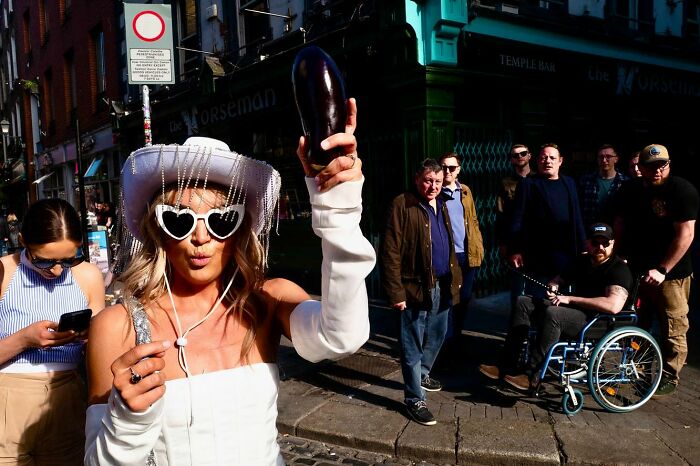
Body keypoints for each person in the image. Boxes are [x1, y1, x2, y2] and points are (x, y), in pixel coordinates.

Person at [84, 98, 376, 465]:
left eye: (222, 220)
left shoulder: (267, 301)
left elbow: (342, 336)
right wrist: (127, 420)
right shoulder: (116, 327)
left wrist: (338, 208)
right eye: (180, 219)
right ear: (157, 229)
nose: (201, 237)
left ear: (240, 231)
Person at [0, 198, 105, 464]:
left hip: (67, 398)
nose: (57, 270)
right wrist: (24, 339)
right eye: (45, 262)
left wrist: (90, 338)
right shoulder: (5, 272)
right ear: (23, 241)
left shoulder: (89, 276)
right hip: (7, 397)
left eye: (69, 260)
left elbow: (102, 355)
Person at [480, 223, 633, 390]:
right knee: (523, 302)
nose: (600, 247)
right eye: (595, 243)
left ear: (612, 243)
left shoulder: (619, 269)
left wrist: (570, 299)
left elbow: (613, 306)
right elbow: (560, 279)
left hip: (597, 320)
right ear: (587, 243)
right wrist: (554, 285)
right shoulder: (583, 260)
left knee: (554, 313)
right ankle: (507, 365)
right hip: (575, 312)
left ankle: (532, 376)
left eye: (605, 243)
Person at [381, 158, 462, 426]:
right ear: (418, 180)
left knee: (438, 333)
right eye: (428, 180)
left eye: (438, 181)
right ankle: (414, 398)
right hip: (413, 285)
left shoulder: (443, 204)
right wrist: (396, 292)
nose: (433, 186)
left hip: (442, 283)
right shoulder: (402, 204)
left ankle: (423, 373)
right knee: (412, 342)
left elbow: (449, 243)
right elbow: (390, 250)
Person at [613, 144, 698, 396]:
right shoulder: (631, 190)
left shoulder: (682, 190)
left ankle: (670, 375)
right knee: (638, 322)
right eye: (650, 167)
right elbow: (620, 224)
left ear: (669, 164)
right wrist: (618, 256)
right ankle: (638, 369)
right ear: (641, 168)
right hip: (638, 269)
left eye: (661, 165)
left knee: (673, 325)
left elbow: (686, 234)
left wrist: (663, 268)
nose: (657, 171)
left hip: (671, 274)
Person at [507, 143, 586, 298]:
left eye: (552, 158)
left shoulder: (569, 183)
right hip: (539, 255)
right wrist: (515, 249)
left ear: (560, 161)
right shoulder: (528, 184)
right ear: (537, 161)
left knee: (562, 300)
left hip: (566, 253)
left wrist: (583, 246)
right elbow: (518, 218)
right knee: (538, 299)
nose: (547, 161)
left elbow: (577, 217)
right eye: (543, 158)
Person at [438, 152, 484, 350]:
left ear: (459, 170)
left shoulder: (464, 191)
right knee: (448, 298)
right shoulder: (435, 191)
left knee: (464, 299)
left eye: (452, 168)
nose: (447, 172)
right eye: (444, 167)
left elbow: (473, 219)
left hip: (468, 253)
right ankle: (445, 342)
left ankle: (456, 336)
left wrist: (478, 244)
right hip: (449, 255)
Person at [495, 144, 532, 312]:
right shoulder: (506, 183)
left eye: (523, 153)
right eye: (515, 155)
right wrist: (503, 243)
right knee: (517, 288)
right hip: (514, 239)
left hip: (535, 238)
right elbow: (501, 214)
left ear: (529, 156)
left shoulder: (538, 179)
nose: (520, 157)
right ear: (511, 159)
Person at [578, 144, 628, 228]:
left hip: (615, 231)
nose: (604, 160)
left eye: (608, 156)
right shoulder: (586, 181)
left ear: (616, 159)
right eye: (601, 157)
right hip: (590, 230)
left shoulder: (625, 182)